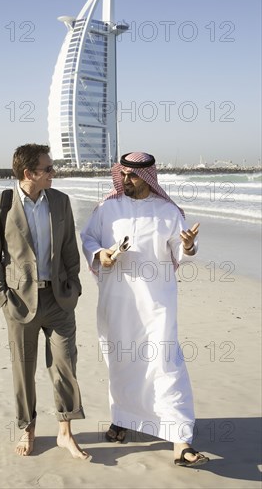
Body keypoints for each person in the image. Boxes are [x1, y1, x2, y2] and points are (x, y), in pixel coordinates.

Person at [80, 151, 209, 467]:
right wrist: (100, 255)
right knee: (122, 362)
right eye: (123, 174)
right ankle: (123, 419)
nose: (126, 180)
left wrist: (189, 245)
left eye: (133, 175)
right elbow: (88, 238)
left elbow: (182, 249)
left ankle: (181, 442)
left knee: (166, 364)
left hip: (156, 304)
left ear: (149, 177)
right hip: (117, 301)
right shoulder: (107, 208)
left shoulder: (167, 211)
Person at [0, 144, 89, 459]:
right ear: (30, 173)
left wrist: (74, 286)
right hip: (19, 303)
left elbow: (69, 247)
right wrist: (2, 297)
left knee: (65, 366)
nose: (54, 173)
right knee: (24, 370)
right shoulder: (1, 204)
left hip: (59, 299)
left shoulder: (60, 201)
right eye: (49, 168)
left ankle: (65, 433)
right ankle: (27, 428)